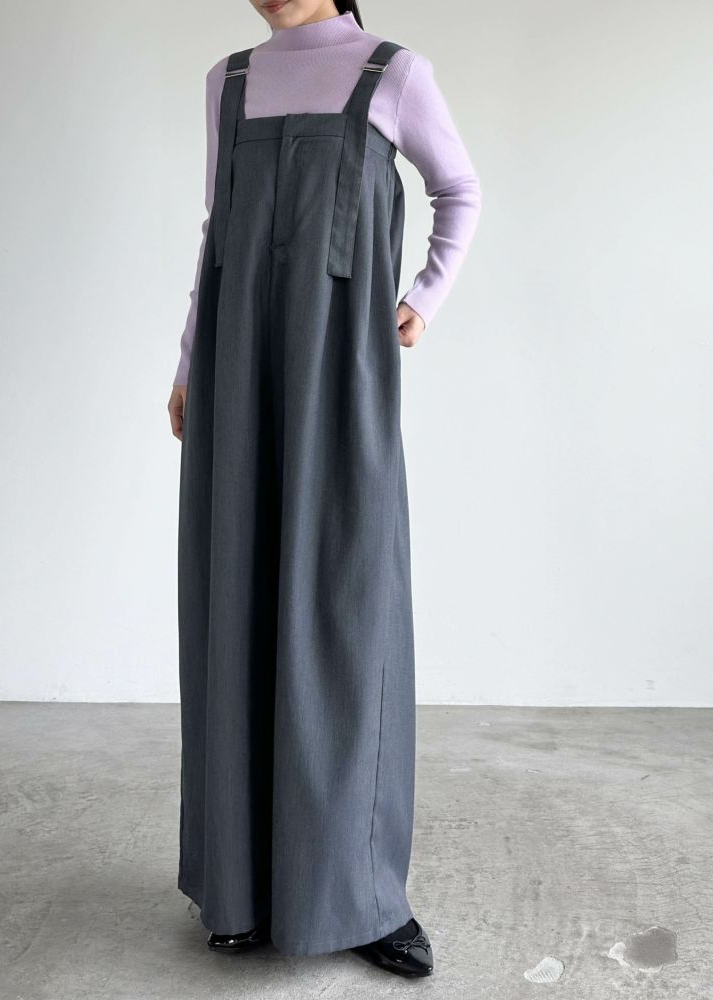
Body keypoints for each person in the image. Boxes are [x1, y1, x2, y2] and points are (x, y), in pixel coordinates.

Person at [167, 0, 481, 979]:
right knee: (234, 606)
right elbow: (217, 231)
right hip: (236, 372)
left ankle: (362, 893)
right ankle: (240, 888)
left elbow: (459, 190)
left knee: (347, 613)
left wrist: (423, 297)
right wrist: (187, 363)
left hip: (339, 375)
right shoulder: (229, 81)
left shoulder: (393, 73)